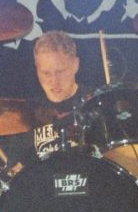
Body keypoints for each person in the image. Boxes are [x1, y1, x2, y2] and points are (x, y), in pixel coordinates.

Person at [6, 30, 93, 170]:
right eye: (46, 73)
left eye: (61, 72)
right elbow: (15, 174)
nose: (54, 81)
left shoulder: (95, 103)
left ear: (76, 65)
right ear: (37, 69)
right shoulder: (27, 114)